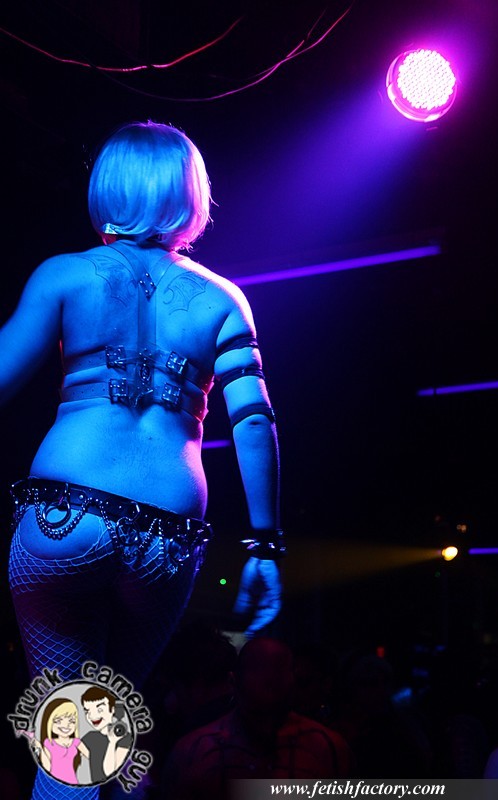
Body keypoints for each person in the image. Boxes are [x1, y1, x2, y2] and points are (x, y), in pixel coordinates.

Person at [2, 120, 284, 800]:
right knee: (101, 735)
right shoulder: (223, 300)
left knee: (72, 746)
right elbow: (254, 421)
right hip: (163, 539)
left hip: (63, 520)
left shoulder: (65, 275)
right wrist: (264, 543)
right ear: (191, 195)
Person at [160, 637, 354, 800]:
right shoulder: (193, 751)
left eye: (275, 709)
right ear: (234, 683)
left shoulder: (327, 747)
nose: (266, 725)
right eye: (257, 711)